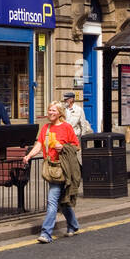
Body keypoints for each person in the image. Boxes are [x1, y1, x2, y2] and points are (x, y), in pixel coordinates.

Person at [21, 102, 81, 244]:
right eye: (49, 110)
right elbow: (39, 145)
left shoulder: (66, 127)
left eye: (53, 110)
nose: (50, 112)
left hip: (64, 168)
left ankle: (46, 233)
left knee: (52, 200)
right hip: (51, 168)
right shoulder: (46, 128)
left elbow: (76, 146)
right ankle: (73, 225)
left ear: (60, 113)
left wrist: (63, 147)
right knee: (63, 200)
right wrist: (29, 156)